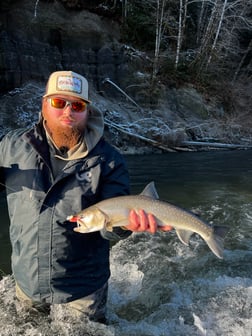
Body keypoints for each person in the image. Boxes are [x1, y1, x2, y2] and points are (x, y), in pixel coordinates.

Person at [0, 71, 172, 323]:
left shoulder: (110, 161)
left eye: (77, 105)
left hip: (84, 288)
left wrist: (126, 226)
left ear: (87, 111)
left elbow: (110, 229)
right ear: (44, 104)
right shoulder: (10, 146)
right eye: (59, 103)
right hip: (27, 281)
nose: (68, 111)